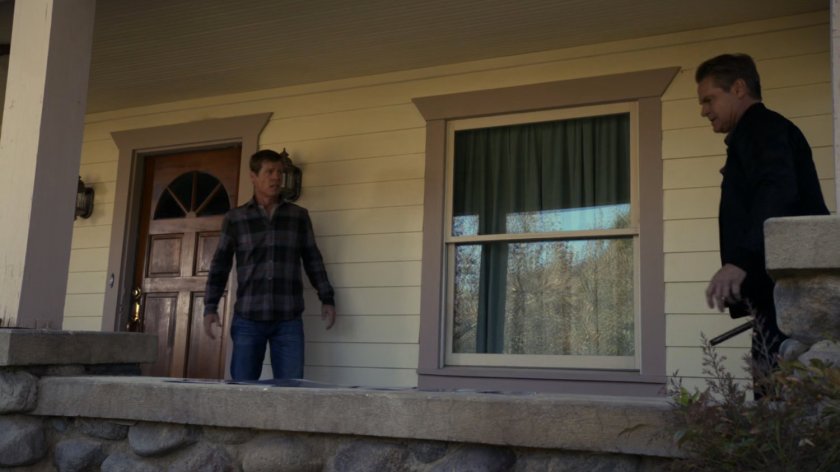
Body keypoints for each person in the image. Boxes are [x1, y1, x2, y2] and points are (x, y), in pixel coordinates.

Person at [696, 53, 829, 386]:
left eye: (709, 99)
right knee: (775, 399)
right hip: (779, 294)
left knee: (778, 405)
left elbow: (777, 190)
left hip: (790, 296)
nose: (703, 110)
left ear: (739, 88)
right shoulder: (756, 133)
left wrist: (741, 261)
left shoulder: (762, 127)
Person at [203, 149, 336, 381]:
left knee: (290, 391)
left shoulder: (298, 216)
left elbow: (312, 258)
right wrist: (210, 306)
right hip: (248, 318)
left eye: (279, 172)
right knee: (243, 390)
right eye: (269, 172)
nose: (276, 177)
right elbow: (220, 264)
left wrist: (327, 298)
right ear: (253, 176)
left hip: (288, 319)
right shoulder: (235, 219)